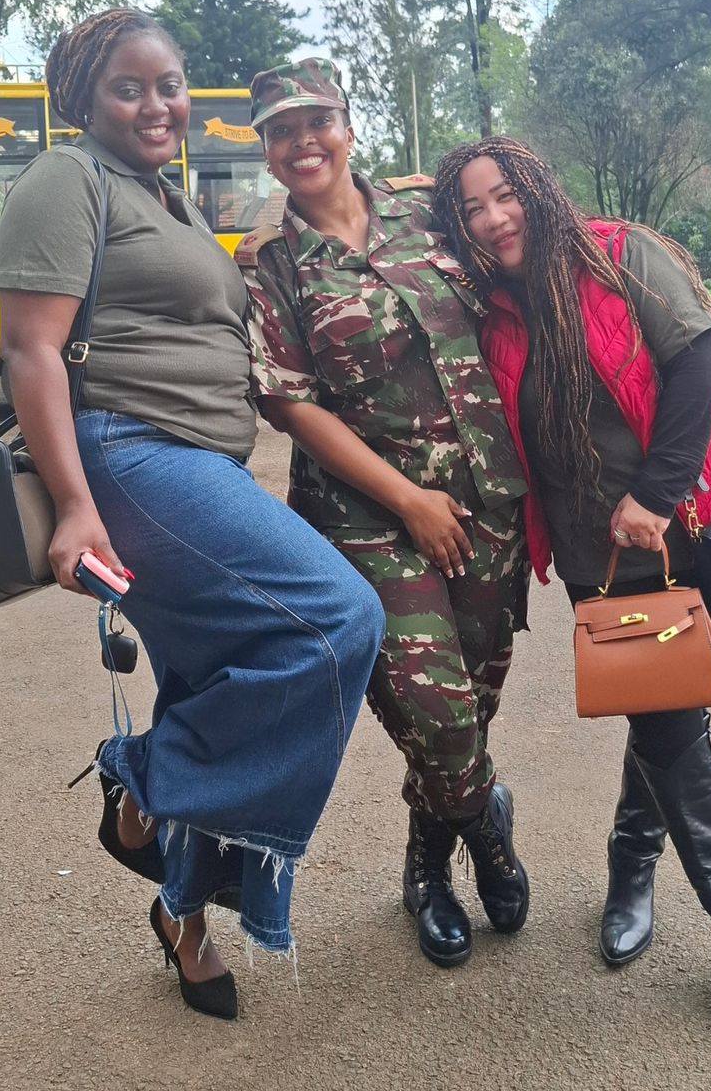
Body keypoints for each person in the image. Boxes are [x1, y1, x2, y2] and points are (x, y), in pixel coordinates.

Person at [0, 10, 384, 1020]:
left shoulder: (164, 201)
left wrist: (389, 200)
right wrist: (75, 507)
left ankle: (183, 915)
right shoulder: (65, 178)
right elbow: (31, 350)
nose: (157, 104)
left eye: (168, 83)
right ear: (84, 98)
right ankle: (142, 780)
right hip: (132, 454)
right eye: (128, 87)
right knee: (337, 618)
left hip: (198, 463)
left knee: (216, 681)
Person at [433, 135, 711, 1050]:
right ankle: (632, 869)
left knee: (667, 724)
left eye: (506, 195)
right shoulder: (497, 310)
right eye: (471, 209)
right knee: (661, 710)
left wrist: (656, 495)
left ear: (538, 189)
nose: (493, 219)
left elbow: (699, 359)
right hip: (593, 556)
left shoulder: (620, 254)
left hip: (677, 534)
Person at [239, 59, 532, 969]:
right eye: (282, 131)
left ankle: (425, 868)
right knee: (432, 708)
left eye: (317, 120)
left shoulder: (428, 212)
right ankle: (485, 827)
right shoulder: (272, 266)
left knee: (471, 701)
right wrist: (407, 499)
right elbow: (289, 403)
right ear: (267, 150)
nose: (304, 141)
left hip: (486, 498)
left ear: (348, 125)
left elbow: (519, 273)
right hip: (368, 516)